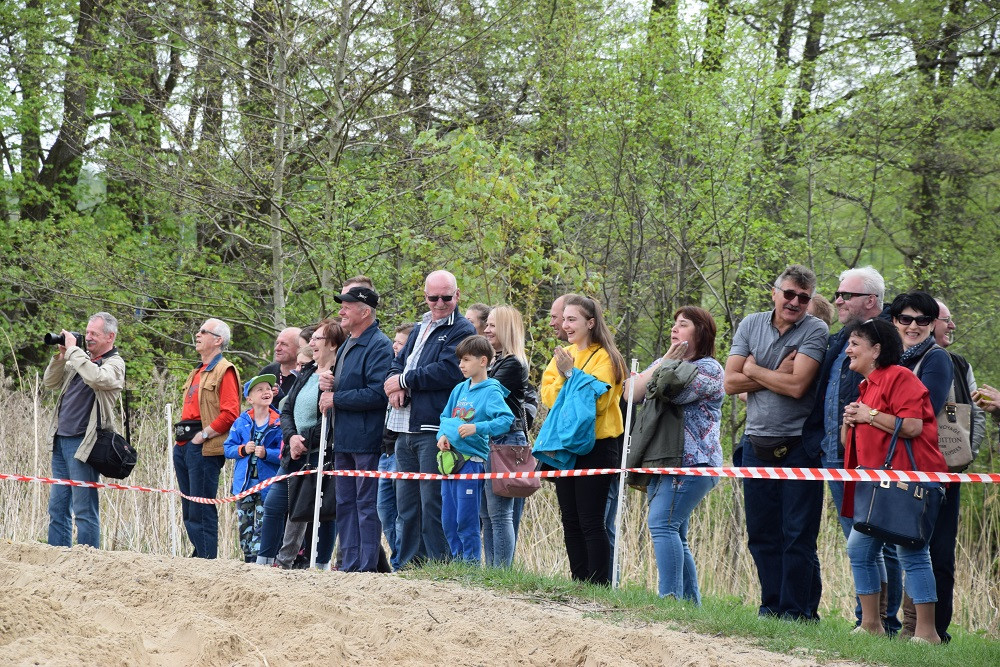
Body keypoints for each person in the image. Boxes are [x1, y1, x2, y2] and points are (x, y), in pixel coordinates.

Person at [724, 264, 828, 620]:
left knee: (797, 534)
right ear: (775, 292)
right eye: (789, 294)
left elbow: (797, 386)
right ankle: (770, 606)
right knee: (761, 533)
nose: (795, 302)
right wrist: (773, 374)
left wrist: (752, 369)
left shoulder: (816, 329)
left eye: (803, 297)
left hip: (799, 446)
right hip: (756, 444)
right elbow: (730, 383)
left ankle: (796, 612)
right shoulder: (751, 323)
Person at [801, 267, 900, 631]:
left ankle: (883, 623)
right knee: (855, 541)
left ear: (871, 301)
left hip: (871, 461)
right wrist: (818, 441)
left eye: (847, 295)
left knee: (881, 543)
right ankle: (868, 622)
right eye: (839, 294)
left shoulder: (889, 340)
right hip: (833, 454)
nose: (837, 300)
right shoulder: (840, 337)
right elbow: (822, 392)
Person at [840, 318, 946, 644]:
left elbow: (913, 426)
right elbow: (852, 446)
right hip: (878, 486)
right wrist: (850, 420)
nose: (848, 349)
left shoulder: (900, 377)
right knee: (859, 548)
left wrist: (868, 415)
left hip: (910, 482)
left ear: (876, 350)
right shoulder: (865, 386)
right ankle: (872, 625)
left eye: (855, 344)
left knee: (912, 552)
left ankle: (927, 633)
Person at [625, 306, 723, 603]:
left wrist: (660, 369)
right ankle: (690, 606)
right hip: (661, 459)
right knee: (675, 533)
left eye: (683, 324)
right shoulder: (667, 361)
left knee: (661, 524)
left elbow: (670, 389)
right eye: (674, 324)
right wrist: (665, 359)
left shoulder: (710, 369)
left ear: (700, 332)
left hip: (693, 463)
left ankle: (669, 599)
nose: (674, 329)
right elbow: (631, 392)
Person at [384, 270, 476, 567]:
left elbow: (448, 370)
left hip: (433, 427)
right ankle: (409, 563)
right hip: (403, 426)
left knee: (431, 502)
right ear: (425, 296)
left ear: (457, 296)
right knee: (406, 505)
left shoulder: (462, 329)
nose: (439, 303)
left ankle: (439, 565)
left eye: (445, 297)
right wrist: (393, 384)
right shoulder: (420, 326)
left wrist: (404, 382)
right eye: (433, 297)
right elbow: (396, 363)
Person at [890, 293, 962, 642]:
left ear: (933, 324)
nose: (913, 326)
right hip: (898, 466)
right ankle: (902, 627)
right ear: (895, 322)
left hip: (933, 467)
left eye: (922, 320)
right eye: (906, 319)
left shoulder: (936, 359)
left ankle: (928, 630)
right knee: (904, 545)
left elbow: (921, 413)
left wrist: (874, 415)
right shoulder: (892, 358)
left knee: (933, 551)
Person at [541, 294, 626, 585]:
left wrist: (569, 376)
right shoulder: (562, 354)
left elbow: (598, 403)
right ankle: (579, 582)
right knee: (570, 520)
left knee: (591, 520)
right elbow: (549, 396)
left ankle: (598, 586)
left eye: (572, 319)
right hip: (566, 445)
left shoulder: (607, 357)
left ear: (590, 323)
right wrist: (572, 380)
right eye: (563, 319)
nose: (565, 325)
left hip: (599, 446)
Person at [318, 285, 394, 572]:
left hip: (367, 439)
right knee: (345, 504)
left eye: (347, 306)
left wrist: (336, 397)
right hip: (343, 438)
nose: (341, 311)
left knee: (366, 505)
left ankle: (366, 568)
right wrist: (330, 382)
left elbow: (377, 393)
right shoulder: (349, 342)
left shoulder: (379, 345)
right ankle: (349, 565)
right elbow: (347, 384)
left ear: (365, 311)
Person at [43, 312, 126, 549]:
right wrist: (61, 356)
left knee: (83, 509)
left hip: (85, 443)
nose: (88, 338)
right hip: (60, 440)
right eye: (87, 332)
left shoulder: (114, 364)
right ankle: (57, 557)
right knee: (57, 507)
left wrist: (74, 352)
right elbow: (50, 382)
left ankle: (88, 563)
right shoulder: (79, 359)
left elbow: (96, 378)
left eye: (94, 334)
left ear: (110, 337)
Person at [272, 320, 345, 569]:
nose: (311, 343)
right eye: (311, 338)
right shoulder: (306, 371)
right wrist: (292, 437)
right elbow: (287, 409)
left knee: (321, 512)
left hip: (320, 452)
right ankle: (280, 560)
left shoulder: (338, 374)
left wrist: (305, 440)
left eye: (317, 339)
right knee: (279, 504)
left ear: (333, 344)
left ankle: (320, 562)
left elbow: (332, 419)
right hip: (294, 451)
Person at [437, 335, 515, 563]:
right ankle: (457, 562)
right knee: (448, 518)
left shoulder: (491, 391)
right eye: (460, 360)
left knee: (466, 518)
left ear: (483, 361)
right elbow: (444, 417)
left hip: (472, 461)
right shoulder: (459, 389)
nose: (461, 365)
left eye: (466, 360)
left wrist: (476, 427)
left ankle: (470, 565)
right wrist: (441, 435)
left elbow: (505, 420)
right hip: (449, 460)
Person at [175, 318, 241, 559]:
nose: (198, 334)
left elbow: (231, 413)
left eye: (204, 331)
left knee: (201, 507)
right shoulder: (197, 371)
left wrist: (203, 436)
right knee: (189, 507)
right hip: (183, 443)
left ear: (218, 340)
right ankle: (199, 555)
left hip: (203, 446)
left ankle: (206, 560)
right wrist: (181, 442)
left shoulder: (226, 370)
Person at [480, 305, 530, 568]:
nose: (486, 330)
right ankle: (492, 570)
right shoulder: (498, 360)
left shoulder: (512, 363)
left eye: (492, 326)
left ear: (506, 329)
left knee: (500, 514)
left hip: (507, 441)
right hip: (491, 440)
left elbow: (485, 395)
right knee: (487, 514)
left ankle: (501, 572)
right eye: (486, 325)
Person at [223, 374, 282, 562]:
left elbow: (284, 452)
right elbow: (227, 448)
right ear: (249, 398)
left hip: (268, 486)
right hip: (245, 485)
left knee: (263, 525)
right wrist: (242, 449)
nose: (266, 392)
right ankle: (248, 559)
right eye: (260, 389)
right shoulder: (241, 422)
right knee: (245, 526)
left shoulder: (279, 422)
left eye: (268, 388)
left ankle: (260, 561)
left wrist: (267, 454)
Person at [379, 323, 413, 570]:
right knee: (385, 511)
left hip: (402, 451)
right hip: (384, 451)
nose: (395, 347)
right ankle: (398, 559)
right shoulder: (389, 373)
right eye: (395, 342)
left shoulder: (410, 376)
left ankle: (403, 564)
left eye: (400, 343)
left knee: (403, 513)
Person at [259, 327, 302, 410]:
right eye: (277, 343)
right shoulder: (267, 372)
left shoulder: (306, 375)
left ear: (299, 348)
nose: (277, 348)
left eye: (284, 344)